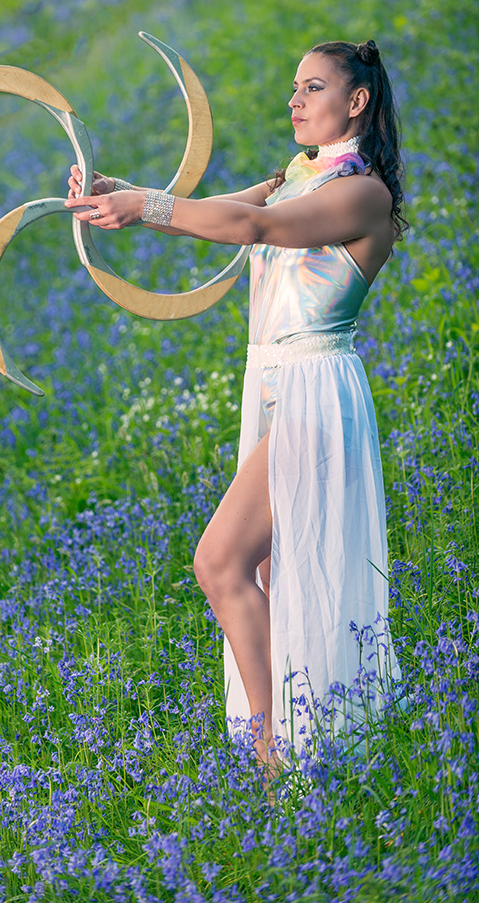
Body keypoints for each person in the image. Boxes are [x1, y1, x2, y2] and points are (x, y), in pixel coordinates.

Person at [66, 39, 406, 776]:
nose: (294, 100)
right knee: (252, 575)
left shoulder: (360, 193)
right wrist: (118, 194)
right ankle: (296, 747)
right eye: (293, 86)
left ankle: (271, 760)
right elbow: (222, 212)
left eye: (311, 87)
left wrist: (145, 205)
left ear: (356, 102)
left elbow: (256, 229)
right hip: (278, 386)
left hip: (317, 390)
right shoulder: (295, 177)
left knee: (221, 562)